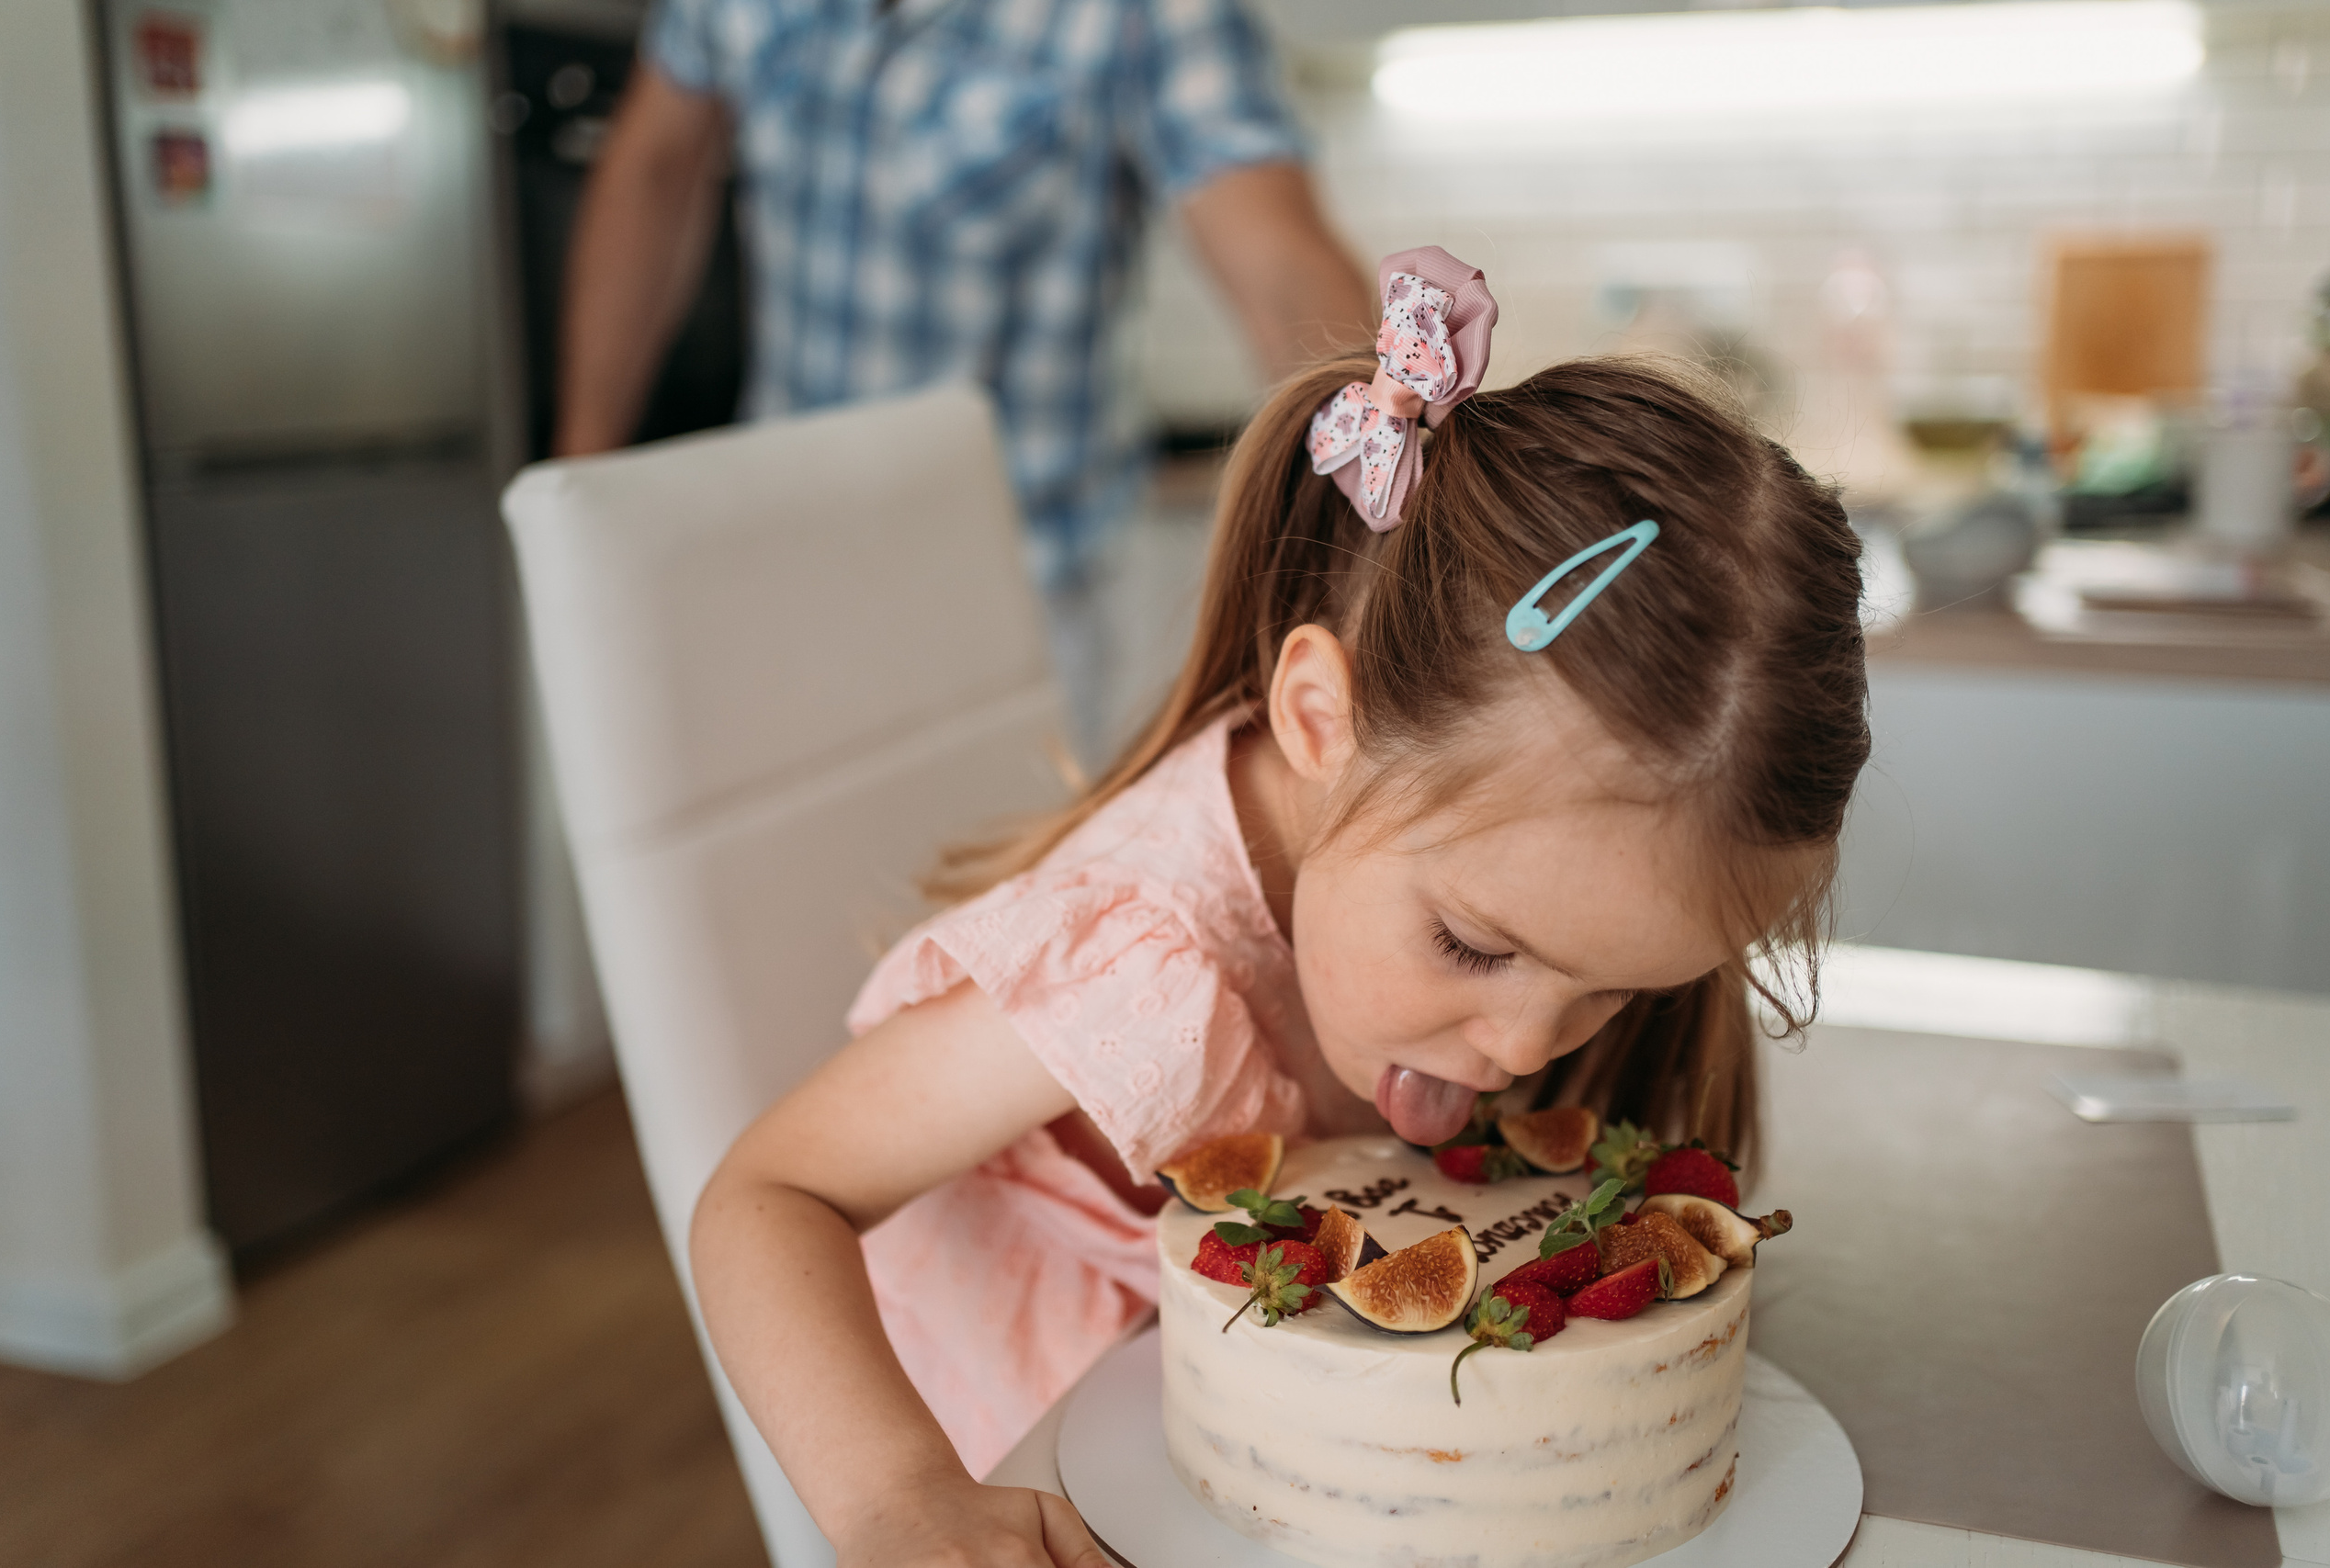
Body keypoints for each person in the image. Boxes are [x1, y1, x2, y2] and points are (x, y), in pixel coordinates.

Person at [690, 248, 1872, 1566]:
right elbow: (767, 1193)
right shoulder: (1136, 966)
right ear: (1321, 717)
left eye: (1619, 986)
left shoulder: (1526, 863)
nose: (1532, 1048)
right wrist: (896, 1496)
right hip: (1055, 1493)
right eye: (1475, 945)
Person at [555, 0, 1374, 752]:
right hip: (776, 571)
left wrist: (1395, 534)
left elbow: (1284, 275)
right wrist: (576, 490)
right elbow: (651, 170)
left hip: (1015, 608)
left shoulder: (1144, 14)